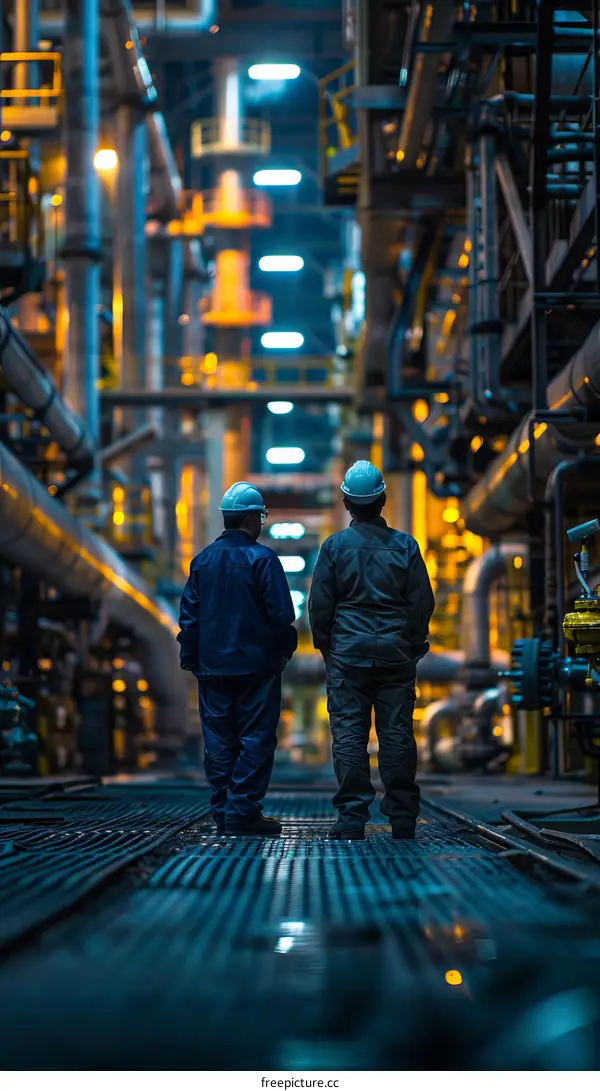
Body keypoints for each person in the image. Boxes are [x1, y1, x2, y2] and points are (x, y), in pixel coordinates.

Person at [308, 460, 435, 841]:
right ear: (382, 499)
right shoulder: (405, 546)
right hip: (396, 655)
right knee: (396, 735)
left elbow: (319, 607)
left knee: (349, 736)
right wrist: (412, 643)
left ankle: (351, 819)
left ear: (347, 502)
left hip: (348, 657)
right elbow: (421, 602)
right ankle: (402, 819)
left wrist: (329, 649)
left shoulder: (333, 548)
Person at [178, 481, 298, 837]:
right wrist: (283, 652)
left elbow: (189, 618)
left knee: (218, 741)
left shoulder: (202, 562)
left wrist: (192, 660)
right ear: (251, 518)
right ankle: (242, 811)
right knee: (255, 739)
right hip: (256, 670)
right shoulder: (262, 559)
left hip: (213, 669)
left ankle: (223, 811)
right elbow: (280, 616)